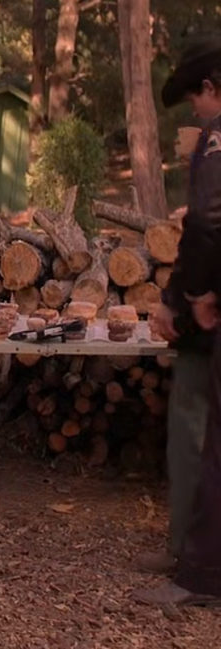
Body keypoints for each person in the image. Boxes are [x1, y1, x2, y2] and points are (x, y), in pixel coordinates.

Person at [136, 37, 221, 606]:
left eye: (195, 98)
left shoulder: (218, 142)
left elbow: (211, 222)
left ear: (211, 89)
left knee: (214, 445)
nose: (193, 111)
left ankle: (200, 576)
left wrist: (192, 294)